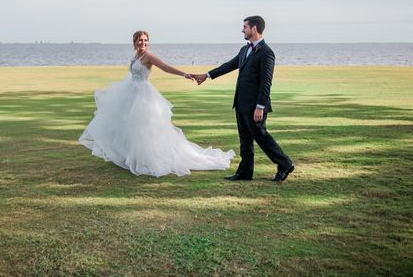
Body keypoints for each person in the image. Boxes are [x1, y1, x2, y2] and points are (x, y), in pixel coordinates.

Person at [79, 30, 235, 177]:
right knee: (127, 125)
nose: (143, 43)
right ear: (134, 42)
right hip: (130, 91)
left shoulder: (148, 56)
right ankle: (130, 156)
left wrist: (184, 74)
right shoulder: (135, 56)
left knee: (144, 127)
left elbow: (165, 67)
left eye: (146, 40)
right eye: (140, 40)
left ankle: (146, 159)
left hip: (143, 95)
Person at [194, 16, 294, 182]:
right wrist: (207, 75)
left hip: (255, 106)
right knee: (245, 139)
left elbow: (266, 82)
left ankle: (285, 163)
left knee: (261, 136)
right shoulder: (244, 50)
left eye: (245, 27)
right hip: (240, 103)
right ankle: (245, 172)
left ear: (254, 28)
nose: (242, 30)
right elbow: (228, 65)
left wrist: (260, 106)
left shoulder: (267, 53)